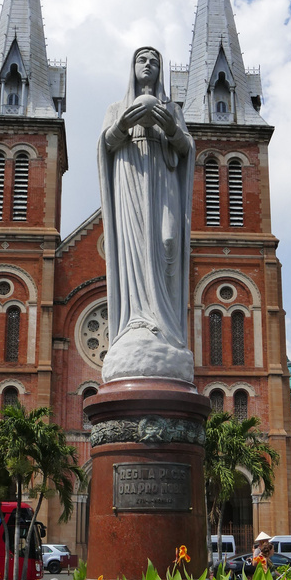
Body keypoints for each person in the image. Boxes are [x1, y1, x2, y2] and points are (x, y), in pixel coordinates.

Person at [97, 47, 196, 383]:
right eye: (142, 59)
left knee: (169, 241)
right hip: (130, 184)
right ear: (132, 67)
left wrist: (171, 128)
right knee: (135, 250)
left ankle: (166, 328)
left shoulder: (172, 108)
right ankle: (136, 321)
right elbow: (105, 145)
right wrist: (124, 124)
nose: (148, 65)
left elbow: (186, 148)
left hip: (164, 182)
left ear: (161, 70)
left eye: (155, 61)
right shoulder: (117, 108)